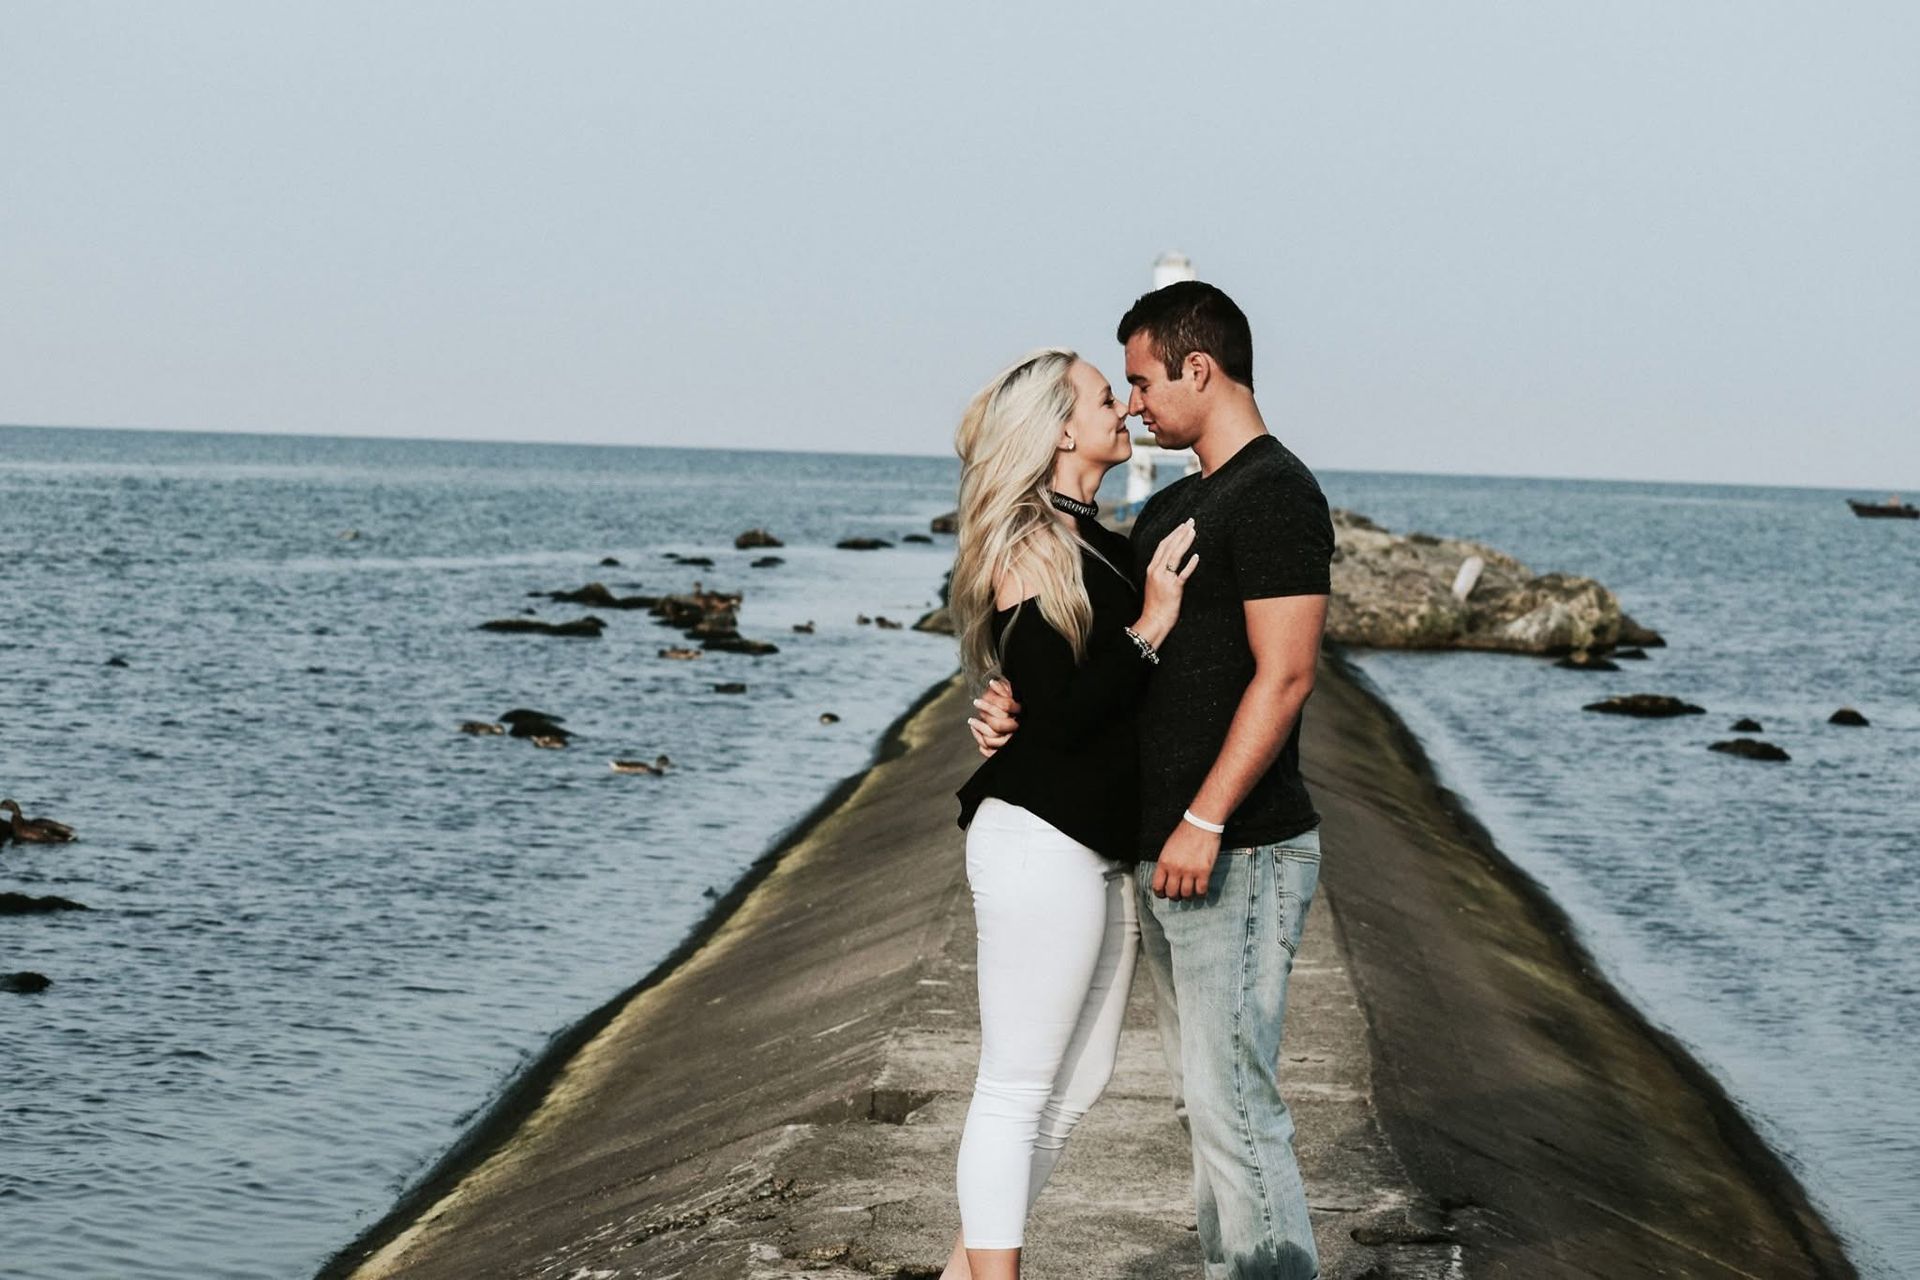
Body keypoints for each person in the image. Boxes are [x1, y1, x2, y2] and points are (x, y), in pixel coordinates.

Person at [972, 282, 1335, 1280]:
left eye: (1140, 381)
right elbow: (1099, 664)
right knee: (1208, 1106)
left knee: (1236, 1106)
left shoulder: (1277, 493)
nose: (1131, 404)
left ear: (1199, 369)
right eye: (1118, 390)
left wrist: (1206, 817)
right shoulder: (1173, 505)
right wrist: (1015, 705)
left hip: (1240, 846)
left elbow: (1288, 673)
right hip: (1169, 851)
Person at [939, 347, 1200, 1280]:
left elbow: (1060, 695)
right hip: (1039, 842)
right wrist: (1156, 621)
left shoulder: (1099, 539)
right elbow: (1069, 705)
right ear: (1058, 429)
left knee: (1077, 1086)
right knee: (1014, 1088)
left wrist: (1017, 700)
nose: (1123, 410)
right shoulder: (1026, 540)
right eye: (1104, 398)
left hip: (1091, 845)